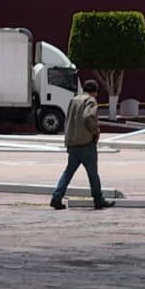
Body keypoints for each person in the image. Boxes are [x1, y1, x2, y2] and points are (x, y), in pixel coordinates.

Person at [50, 80, 114, 210]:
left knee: (68, 172)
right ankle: (98, 199)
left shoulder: (74, 100)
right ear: (95, 91)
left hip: (73, 143)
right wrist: (95, 131)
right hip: (86, 143)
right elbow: (88, 116)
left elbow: (69, 120)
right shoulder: (90, 101)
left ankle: (56, 197)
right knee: (93, 174)